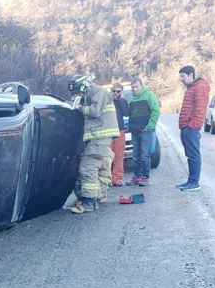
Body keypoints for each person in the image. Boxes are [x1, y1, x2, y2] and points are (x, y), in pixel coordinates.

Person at [67, 75, 119, 214]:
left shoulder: (99, 92)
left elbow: (95, 112)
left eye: (78, 92)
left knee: (87, 168)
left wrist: (81, 108)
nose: (78, 96)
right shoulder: (90, 95)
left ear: (82, 86)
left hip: (99, 137)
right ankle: (99, 196)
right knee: (100, 167)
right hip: (98, 138)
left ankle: (89, 203)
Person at [177, 66, 211, 191]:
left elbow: (200, 109)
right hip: (186, 127)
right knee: (190, 155)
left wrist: (192, 125)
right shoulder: (192, 87)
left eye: (183, 76)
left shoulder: (200, 86)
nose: (181, 79)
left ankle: (194, 183)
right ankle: (190, 181)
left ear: (191, 75)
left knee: (194, 155)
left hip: (191, 127)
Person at [125, 77, 159, 187]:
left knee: (145, 155)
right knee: (135, 156)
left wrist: (149, 126)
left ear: (141, 86)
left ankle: (145, 177)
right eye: (133, 87)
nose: (134, 89)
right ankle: (137, 176)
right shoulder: (132, 99)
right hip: (135, 131)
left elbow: (155, 111)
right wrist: (130, 127)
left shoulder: (149, 96)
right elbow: (131, 115)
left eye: (136, 86)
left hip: (146, 131)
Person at [109, 83, 130, 186]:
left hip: (119, 131)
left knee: (119, 156)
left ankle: (117, 179)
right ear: (111, 91)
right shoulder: (106, 101)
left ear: (121, 92)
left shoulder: (123, 101)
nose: (116, 93)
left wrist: (120, 100)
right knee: (107, 157)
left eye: (118, 91)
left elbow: (126, 113)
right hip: (107, 132)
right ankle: (106, 179)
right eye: (114, 91)